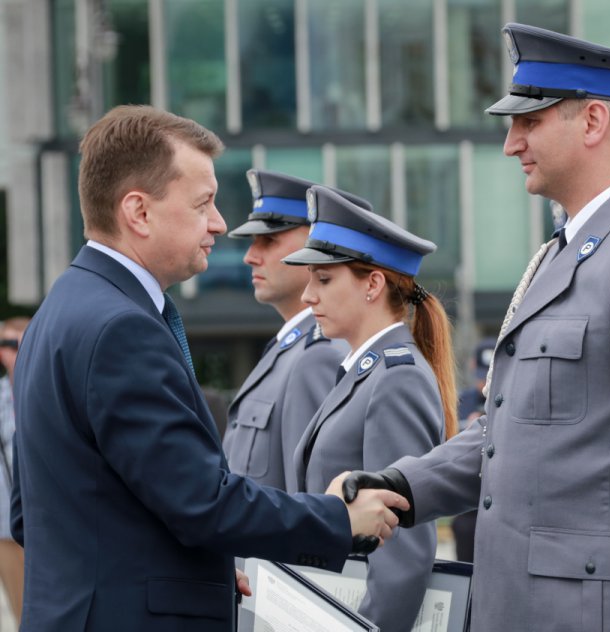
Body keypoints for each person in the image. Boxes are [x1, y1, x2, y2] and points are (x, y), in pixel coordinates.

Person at [342, 23, 610, 632]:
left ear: (592, 122)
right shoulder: (562, 253)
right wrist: (401, 484)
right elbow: (511, 433)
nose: (511, 143)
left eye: (529, 121)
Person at [9, 105, 407, 632]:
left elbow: (30, 515)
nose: (219, 223)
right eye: (203, 204)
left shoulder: (62, 310)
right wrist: (338, 518)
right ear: (139, 212)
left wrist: (200, 572)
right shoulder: (120, 329)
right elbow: (200, 501)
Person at [283, 185, 458, 632]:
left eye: (323, 279)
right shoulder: (365, 372)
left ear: (373, 284)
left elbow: (402, 553)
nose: (307, 296)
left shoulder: (396, 378)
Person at [223, 170, 356, 492]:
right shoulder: (287, 349)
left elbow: (314, 507)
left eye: (268, 240)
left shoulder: (319, 356)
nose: (250, 256)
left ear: (317, 244)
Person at [451, 337, 494, 563]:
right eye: (481, 376)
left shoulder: (506, 400)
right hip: (468, 504)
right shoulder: (462, 401)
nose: (483, 384)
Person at [0, 317, 28, 626]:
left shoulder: (53, 386)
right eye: (8, 343)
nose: (15, 349)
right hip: (6, 524)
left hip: (50, 523)